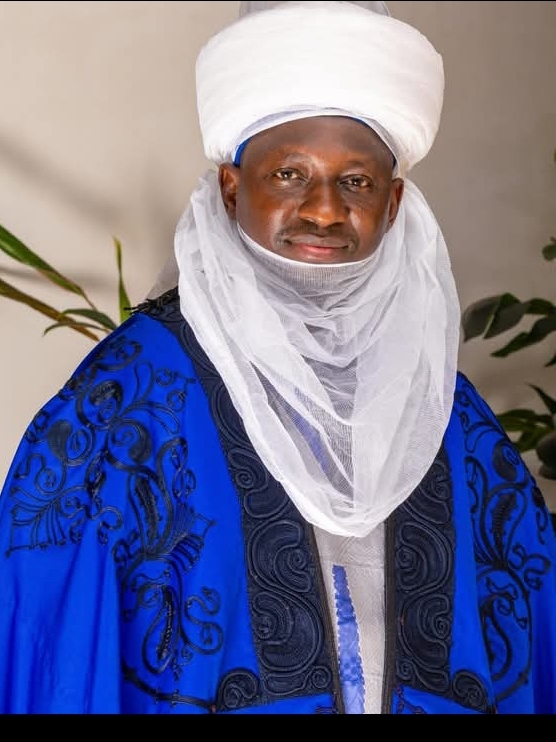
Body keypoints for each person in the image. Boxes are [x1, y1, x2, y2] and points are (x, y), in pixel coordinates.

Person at [0, 0, 554, 715]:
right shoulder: (127, 399)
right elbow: (52, 646)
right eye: (290, 174)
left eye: (356, 181)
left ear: (393, 203)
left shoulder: (447, 413)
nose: (324, 209)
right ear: (232, 187)